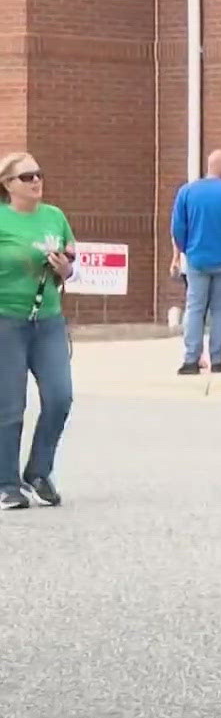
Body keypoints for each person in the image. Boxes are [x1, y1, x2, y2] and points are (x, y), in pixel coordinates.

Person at [0, 152, 75, 510]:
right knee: (11, 406)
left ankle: (39, 471)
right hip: (6, 320)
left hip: (47, 319)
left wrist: (65, 268)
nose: (35, 182)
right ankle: (6, 484)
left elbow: (71, 259)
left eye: (39, 175)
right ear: (8, 184)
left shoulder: (54, 216)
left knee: (60, 397)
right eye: (27, 177)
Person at [170, 149, 221, 374]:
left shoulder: (187, 191)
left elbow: (177, 227)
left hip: (197, 258)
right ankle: (217, 358)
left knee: (195, 308)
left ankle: (191, 359)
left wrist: (186, 249)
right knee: (220, 309)